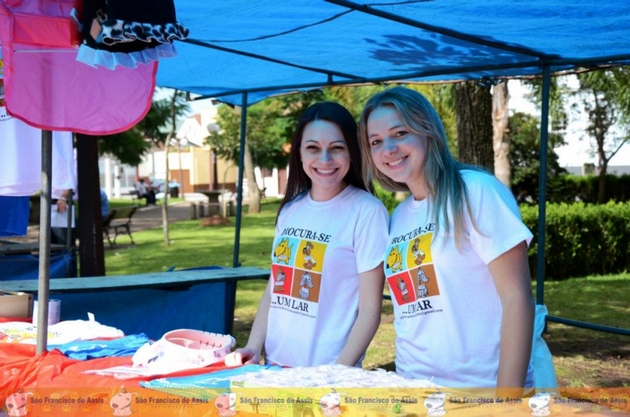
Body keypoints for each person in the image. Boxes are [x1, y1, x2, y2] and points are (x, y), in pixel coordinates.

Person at [358, 87, 535, 390]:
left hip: (480, 390)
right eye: (376, 141)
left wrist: (506, 401)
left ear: (427, 130)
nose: (388, 148)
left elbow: (518, 299)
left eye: (400, 133)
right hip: (414, 390)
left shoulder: (476, 191)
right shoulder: (398, 217)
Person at [225, 102, 389, 368]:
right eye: (313, 148)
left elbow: (370, 309)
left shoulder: (367, 211)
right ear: (299, 153)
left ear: (352, 152)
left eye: (337, 148)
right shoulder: (290, 210)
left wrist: (337, 372)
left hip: (328, 374)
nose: (325, 159)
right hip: (274, 368)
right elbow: (274, 289)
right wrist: (254, 347)